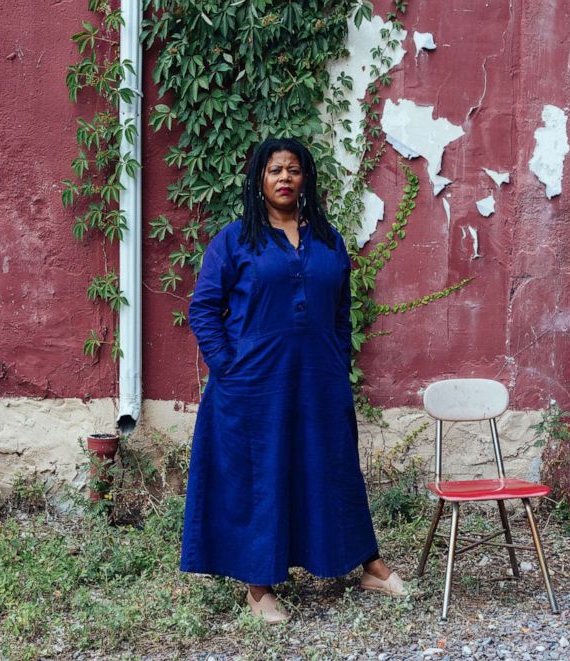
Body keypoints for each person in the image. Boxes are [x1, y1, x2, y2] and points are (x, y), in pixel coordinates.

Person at [181, 137, 407, 624]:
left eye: (294, 169)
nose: (284, 177)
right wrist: (228, 367)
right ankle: (258, 586)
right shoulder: (235, 239)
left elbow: (343, 309)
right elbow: (203, 309)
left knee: (333, 467)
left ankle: (368, 564)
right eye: (274, 170)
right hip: (254, 384)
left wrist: (337, 356)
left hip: (320, 380)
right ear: (259, 180)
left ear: (306, 179)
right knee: (262, 475)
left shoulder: (328, 240)